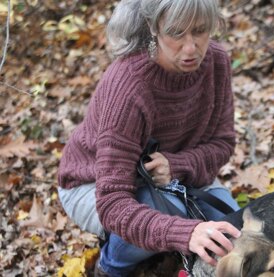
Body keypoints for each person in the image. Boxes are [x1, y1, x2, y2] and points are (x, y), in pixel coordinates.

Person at [57, 0, 241, 276]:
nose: (191, 48)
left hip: (174, 177)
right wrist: (186, 232)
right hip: (93, 184)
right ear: (152, 27)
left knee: (237, 234)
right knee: (173, 214)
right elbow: (112, 202)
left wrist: (176, 166)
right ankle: (110, 267)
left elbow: (223, 143)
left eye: (200, 31)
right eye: (176, 33)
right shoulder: (129, 86)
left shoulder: (216, 61)